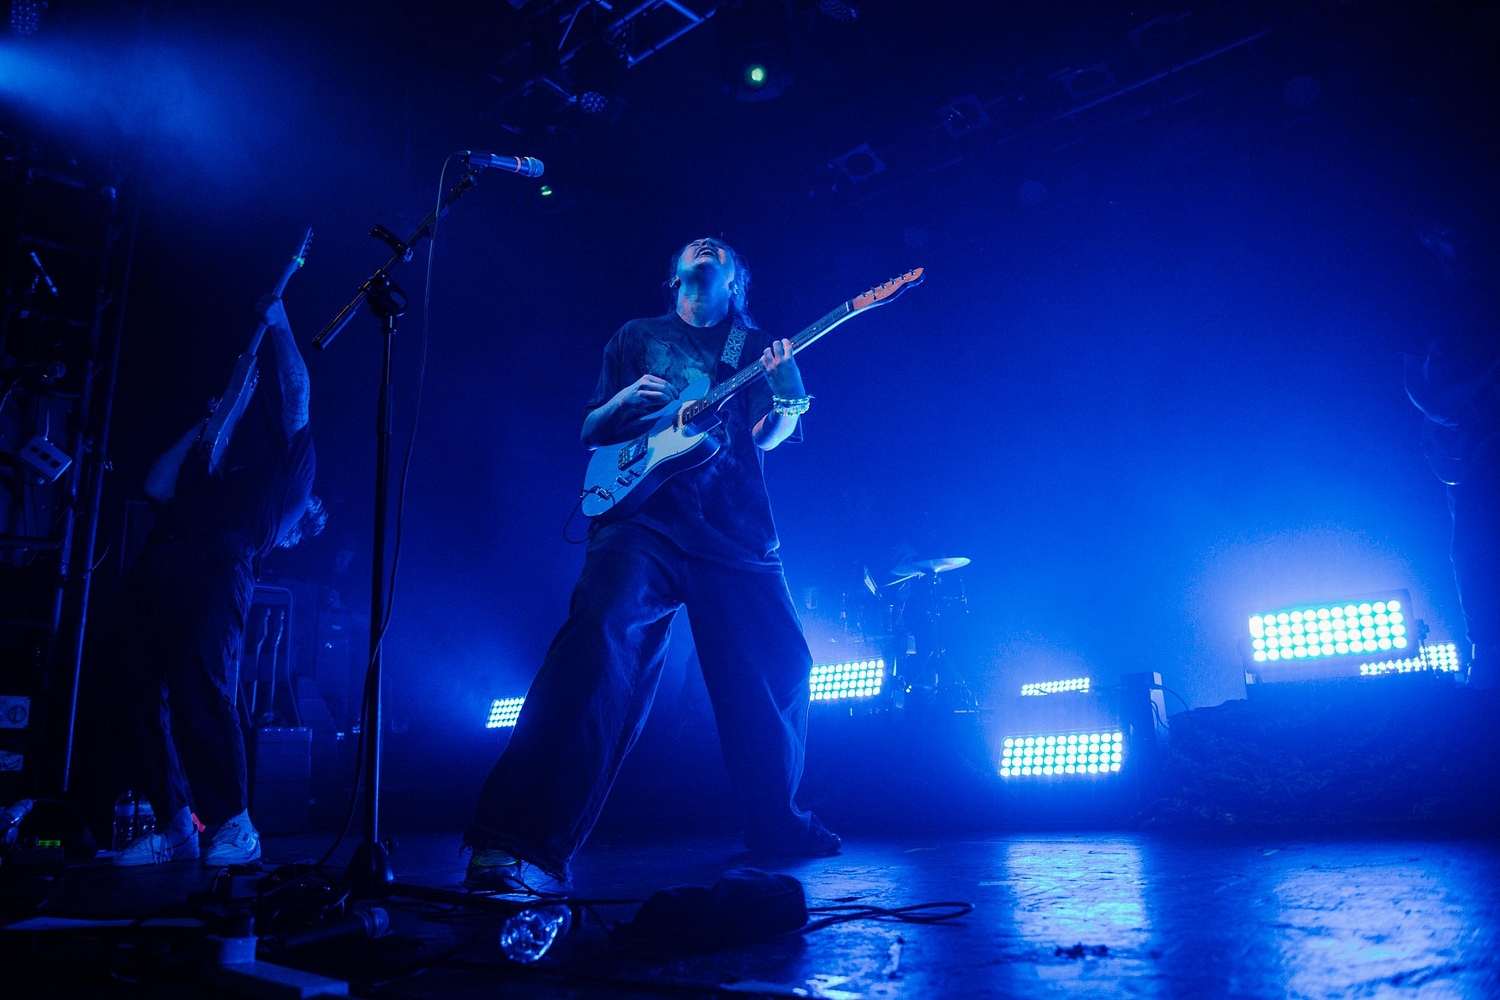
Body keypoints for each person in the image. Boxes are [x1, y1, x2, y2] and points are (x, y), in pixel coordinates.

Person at [465, 237, 839, 888]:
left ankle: (776, 822)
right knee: (597, 645)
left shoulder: (755, 348)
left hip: (735, 532)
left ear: (734, 281)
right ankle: (514, 839)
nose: (705, 244)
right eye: (694, 247)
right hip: (642, 521)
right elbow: (593, 431)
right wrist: (625, 400)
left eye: (719, 248)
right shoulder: (636, 335)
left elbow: (765, 443)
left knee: (781, 664)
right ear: (675, 278)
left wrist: (788, 398)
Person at [112, 295, 323, 866]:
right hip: (159, 563)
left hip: (216, 570)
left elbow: (296, 391)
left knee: (201, 691)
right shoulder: (215, 468)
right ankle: (175, 824)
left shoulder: (291, 482)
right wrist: (207, 420)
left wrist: (281, 322)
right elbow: (157, 484)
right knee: (136, 695)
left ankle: (236, 824)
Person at [1405, 223, 1500, 687]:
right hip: (1468, 444)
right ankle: (1488, 655)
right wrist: (1441, 410)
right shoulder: (1425, 302)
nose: (1455, 239)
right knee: (1471, 548)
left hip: (1479, 438)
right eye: (1441, 230)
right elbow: (1416, 380)